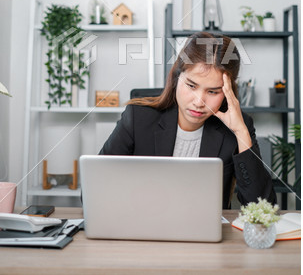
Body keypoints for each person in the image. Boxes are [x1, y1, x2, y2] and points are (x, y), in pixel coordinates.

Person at [99, 31, 276, 209]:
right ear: (177, 78)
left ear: (227, 92)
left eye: (213, 91)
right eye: (191, 86)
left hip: (204, 233)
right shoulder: (137, 117)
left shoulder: (237, 127)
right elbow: (98, 188)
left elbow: (264, 209)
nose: (199, 102)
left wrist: (240, 132)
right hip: (144, 226)